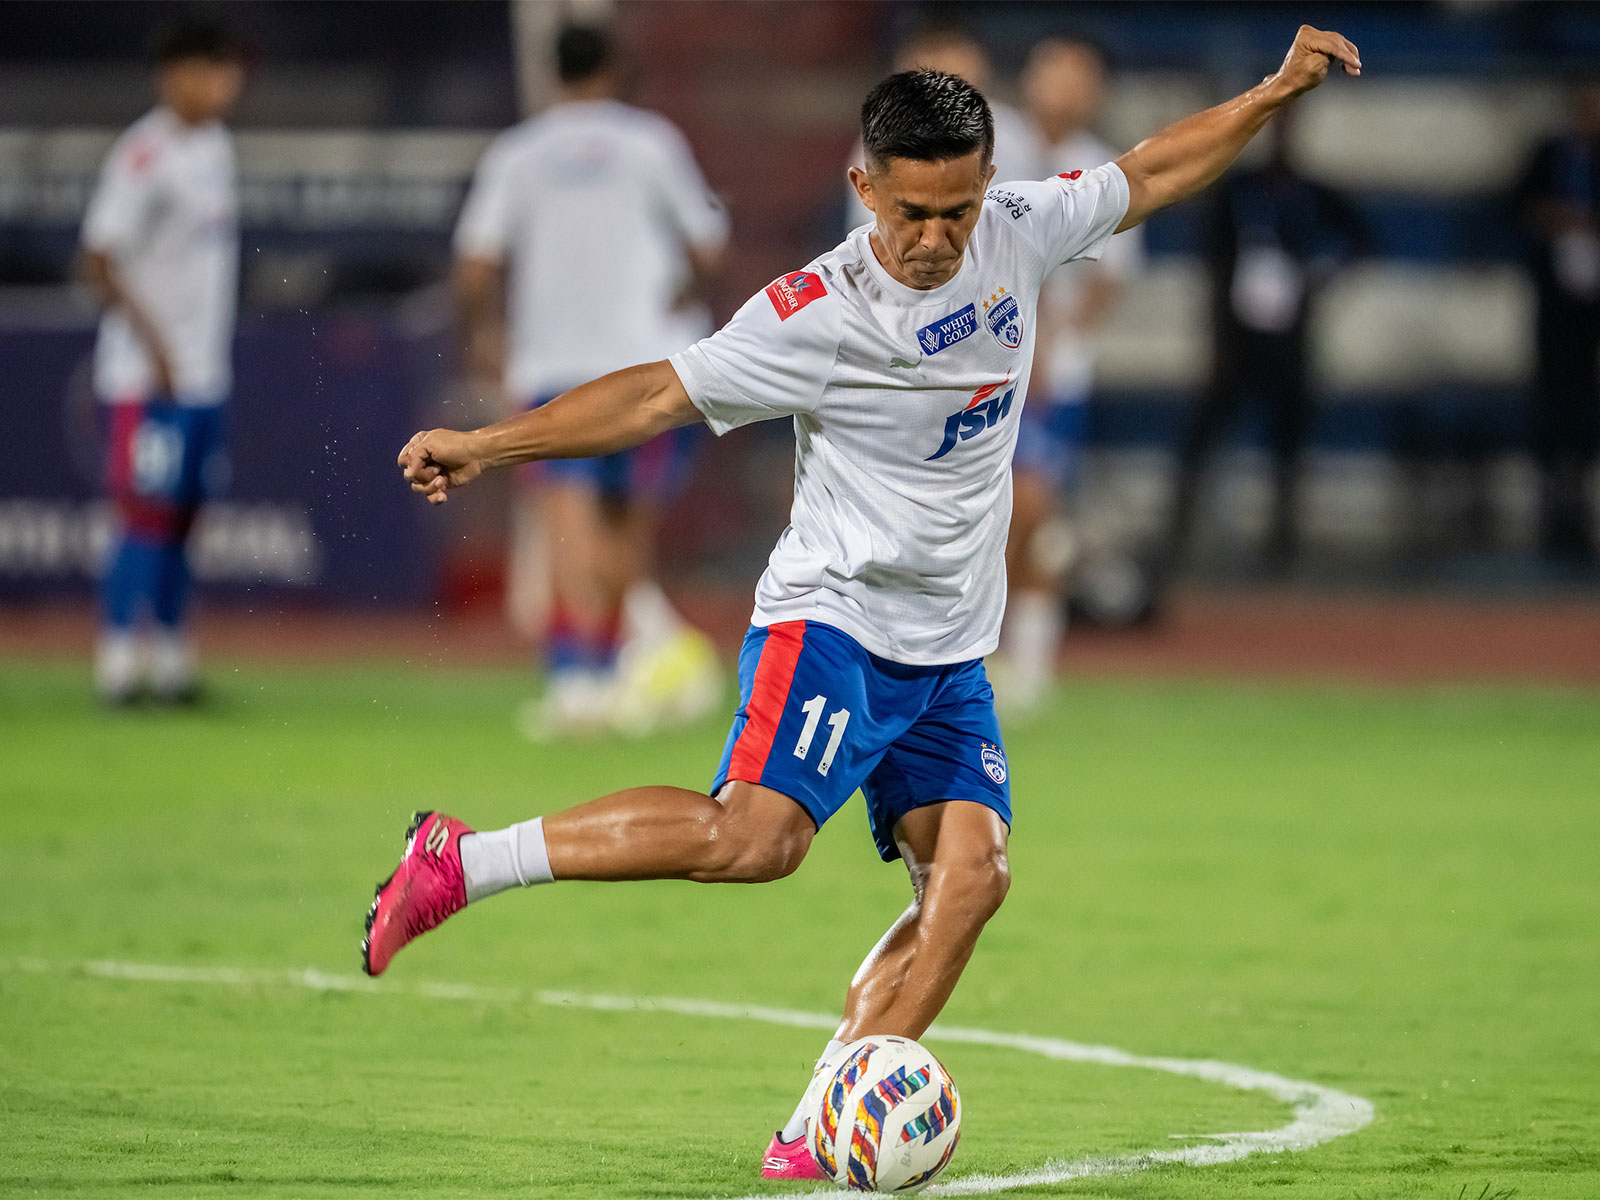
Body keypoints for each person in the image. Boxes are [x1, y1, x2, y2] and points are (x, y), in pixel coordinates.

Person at [368, 26, 1360, 1182]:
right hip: (834, 621)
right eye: (911, 215)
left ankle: (813, 1127)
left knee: (973, 880)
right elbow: (650, 397)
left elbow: (1156, 170)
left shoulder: (1019, 230)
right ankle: (463, 860)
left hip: (949, 645)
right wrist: (487, 446)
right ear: (862, 187)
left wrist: (1272, 93)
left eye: (956, 209)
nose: (937, 239)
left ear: (986, 181)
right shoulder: (813, 314)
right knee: (756, 841)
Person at [454, 24, 730, 737]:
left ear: (552, 74)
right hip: (644, 367)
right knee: (628, 530)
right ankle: (629, 665)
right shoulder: (652, 143)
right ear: (614, 68)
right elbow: (708, 241)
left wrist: (487, 336)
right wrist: (681, 294)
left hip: (552, 363)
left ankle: (583, 681)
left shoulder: (519, 152)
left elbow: (476, 265)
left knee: (569, 529)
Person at [82, 11, 244, 705]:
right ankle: (119, 665)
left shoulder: (216, 149)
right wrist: (156, 348)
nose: (227, 85)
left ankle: (174, 665)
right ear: (178, 73)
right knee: (143, 516)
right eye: (214, 70)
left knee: (184, 518)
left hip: (204, 373)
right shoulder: (142, 155)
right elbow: (98, 258)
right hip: (148, 377)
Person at [996, 34, 1145, 711]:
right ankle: (981, 657)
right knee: (981, 515)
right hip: (980, 366)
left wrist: (1055, 340)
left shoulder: (1098, 169)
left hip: (1053, 377)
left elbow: (1109, 279)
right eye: (1049, 70)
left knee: (1034, 512)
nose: (1059, 86)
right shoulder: (991, 147)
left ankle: (1026, 661)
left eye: (1075, 75)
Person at [1164, 115, 1370, 577]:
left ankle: (1282, 548)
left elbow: (1361, 237)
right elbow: (1211, 260)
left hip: (1289, 340)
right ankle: (1177, 537)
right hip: (1238, 340)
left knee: (1288, 445)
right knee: (1202, 438)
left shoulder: (1311, 193)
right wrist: (1216, 335)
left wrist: (1322, 276)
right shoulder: (1239, 191)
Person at [843, 21, 1035, 235]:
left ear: (979, 60)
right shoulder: (884, 132)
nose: (947, 68)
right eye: (934, 56)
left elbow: (1031, 218)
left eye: (956, 54)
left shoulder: (1015, 133)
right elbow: (874, 230)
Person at [1516, 80, 1600, 565]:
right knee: (1552, 400)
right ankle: (1553, 505)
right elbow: (1520, 208)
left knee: (1586, 404)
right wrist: (1553, 219)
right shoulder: (1548, 156)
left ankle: (1583, 502)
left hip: (1592, 306)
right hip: (1554, 303)